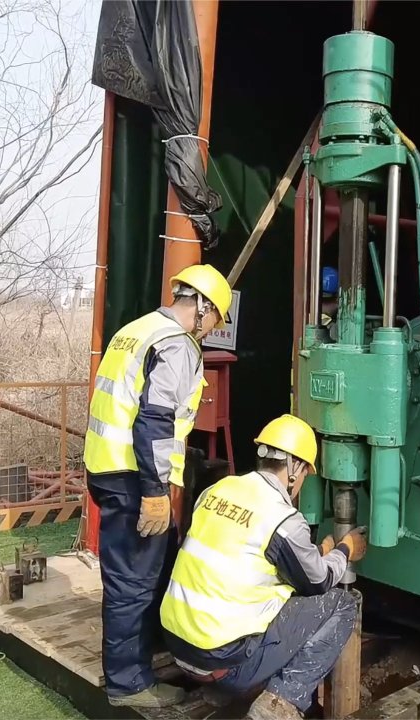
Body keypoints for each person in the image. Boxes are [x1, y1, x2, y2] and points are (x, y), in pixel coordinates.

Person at [83, 263, 233, 709]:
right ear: (203, 306)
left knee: (137, 575)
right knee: (133, 583)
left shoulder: (136, 329)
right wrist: (155, 491)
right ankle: (128, 685)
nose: (208, 331)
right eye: (212, 322)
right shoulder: (177, 345)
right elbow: (154, 419)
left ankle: (140, 663)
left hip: (106, 467)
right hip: (134, 478)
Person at [159, 414, 369, 720]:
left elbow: (246, 556)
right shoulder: (283, 519)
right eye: (306, 473)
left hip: (178, 646)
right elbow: (318, 581)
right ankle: (280, 704)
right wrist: (344, 549)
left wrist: (319, 551)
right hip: (225, 663)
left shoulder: (219, 490)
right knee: (342, 604)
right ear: (295, 468)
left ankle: (222, 686)